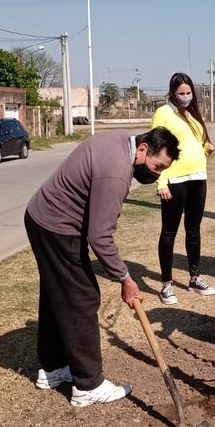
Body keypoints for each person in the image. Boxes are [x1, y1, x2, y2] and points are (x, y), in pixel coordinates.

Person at [24, 127, 180, 407]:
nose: (156, 175)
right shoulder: (116, 172)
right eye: (157, 167)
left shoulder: (122, 141)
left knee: (57, 295)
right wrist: (125, 279)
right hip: (57, 226)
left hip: (42, 218)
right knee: (82, 298)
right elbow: (100, 236)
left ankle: (54, 368)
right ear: (143, 149)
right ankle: (88, 385)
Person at [151, 72, 215, 304]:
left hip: (198, 177)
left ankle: (194, 277)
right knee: (169, 232)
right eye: (181, 93)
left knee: (194, 229)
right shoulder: (163, 113)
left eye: (189, 92)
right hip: (174, 180)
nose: (186, 96)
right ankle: (166, 284)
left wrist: (205, 146)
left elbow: (196, 140)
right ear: (172, 93)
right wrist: (161, 181)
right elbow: (156, 147)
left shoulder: (193, 113)